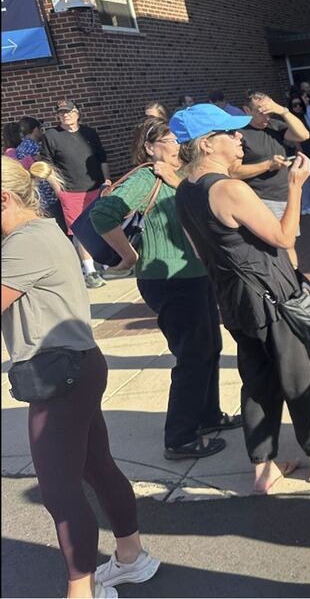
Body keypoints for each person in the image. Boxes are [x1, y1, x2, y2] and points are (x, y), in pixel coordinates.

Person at [2, 157, 160, 598]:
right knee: (96, 466)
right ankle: (131, 557)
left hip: (60, 376)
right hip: (76, 368)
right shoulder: (41, 230)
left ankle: (83, 590)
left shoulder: (23, 243)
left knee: (58, 489)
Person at [171, 104, 310, 493]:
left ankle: (264, 467)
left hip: (233, 298)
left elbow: (201, 253)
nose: (240, 137)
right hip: (271, 295)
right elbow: (284, 237)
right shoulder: (229, 189)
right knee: (302, 374)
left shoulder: (184, 192)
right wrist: (296, 186)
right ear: (205, 144)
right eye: (230, 133)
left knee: (257, 381)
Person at [89, 117, 240, 460]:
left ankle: (207, 416)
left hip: (195, 275)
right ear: (149, 147)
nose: (177, 145)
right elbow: (102, 215)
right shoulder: (145, 178)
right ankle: (180, 438)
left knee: (210, 347)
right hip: (168, 279)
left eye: (177, 139)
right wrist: (127, 255)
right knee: (192, 355)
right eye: (169, 140)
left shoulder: (182, 174)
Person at [232, 91, 310, 268]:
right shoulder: (238, 134)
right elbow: (234, 171)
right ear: (246, 110)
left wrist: (283, 111)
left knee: (289, 245)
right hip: (260, 199)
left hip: (285, 196)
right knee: (271, 247)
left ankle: (294, 281)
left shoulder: (274, 126)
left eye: (269, 110)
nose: (266, 115)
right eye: (260, 111)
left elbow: (303, 135)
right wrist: (267, 165)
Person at [41, 100, 112, 289]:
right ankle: (90, 271)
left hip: (96, 187)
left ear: (77, 113)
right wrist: (58, 189)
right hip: (71, 191)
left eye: (69, 112)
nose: (65, 115)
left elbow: (101, 158)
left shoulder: (89, 133)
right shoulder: (51, 136)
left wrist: (107, 180)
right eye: (61, 113)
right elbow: (46, 165)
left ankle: (106, 262)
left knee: (101, 224)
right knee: (79, 230)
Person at [288, 92, 310, 216]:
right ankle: (305, 205)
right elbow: (295, 138)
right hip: (302, 152)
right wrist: (300, 152)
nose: (298, 107)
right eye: (294, 105)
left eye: (299, 104)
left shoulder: (304, 116)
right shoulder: (292, 120)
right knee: (305, 181)